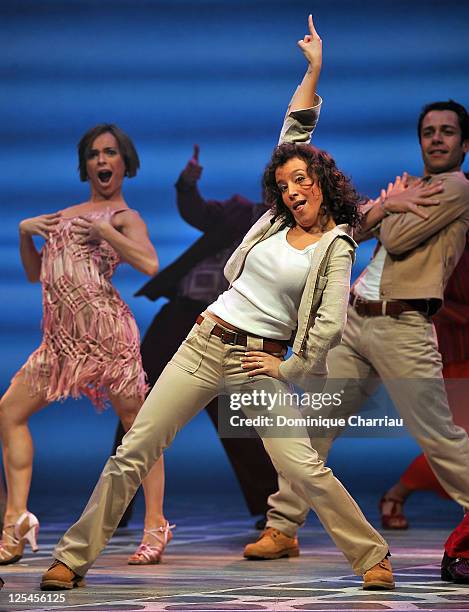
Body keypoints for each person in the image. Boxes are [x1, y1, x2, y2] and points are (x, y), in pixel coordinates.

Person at [40, 16, 394, 592]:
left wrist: (288, 367)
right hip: (204, 341)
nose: (293, 191)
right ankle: (72, 556)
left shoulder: (336, 244)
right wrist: (313, 71)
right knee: (136, 449)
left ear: (323, 182)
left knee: (302, 466)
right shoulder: (275, 220)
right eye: (285, 185)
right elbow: (294, 131)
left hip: (259, 361)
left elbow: (328, 324)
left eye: (302, 181)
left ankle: (371, 555)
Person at [243, 99, 469, 584]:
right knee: (314, 428)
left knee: (438, 437)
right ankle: (282, 527)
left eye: (447, 132)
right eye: (429, 131)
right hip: (357, 320)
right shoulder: (413, 187)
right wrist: (387, 205)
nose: (436, 139)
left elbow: (400, 237)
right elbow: (353, 228)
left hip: (404, 326)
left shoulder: (456, 188)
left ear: (463, 145)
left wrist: (388, 208)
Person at [0, 124, 171, 567]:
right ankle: (15, 520)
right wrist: (23, 234)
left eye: (110, 153)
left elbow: (150, 263)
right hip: (60, 342)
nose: (101, 160)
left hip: (107, 335)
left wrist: (106, 233)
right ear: (86, 165)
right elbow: (36, 275)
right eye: (94, 154)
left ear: (123, 163)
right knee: (9, 412)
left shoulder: (124, 218)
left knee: (139, 426)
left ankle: (155, 524)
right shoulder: (64, 214)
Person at [113, 145, 276, 528]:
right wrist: (187, 184)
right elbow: (196, 211)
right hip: (183, 312)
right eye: (275, 183)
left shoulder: (294, 238)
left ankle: (274, 510)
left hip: (230, 326)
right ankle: (116, 504)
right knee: (137, 400)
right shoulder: (240, 211)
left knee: (234, 415)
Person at [380, 235, 469, 528]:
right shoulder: (448, 243)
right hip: (457, 355)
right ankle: (398, 492)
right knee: (455, 442)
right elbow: (430, 300)